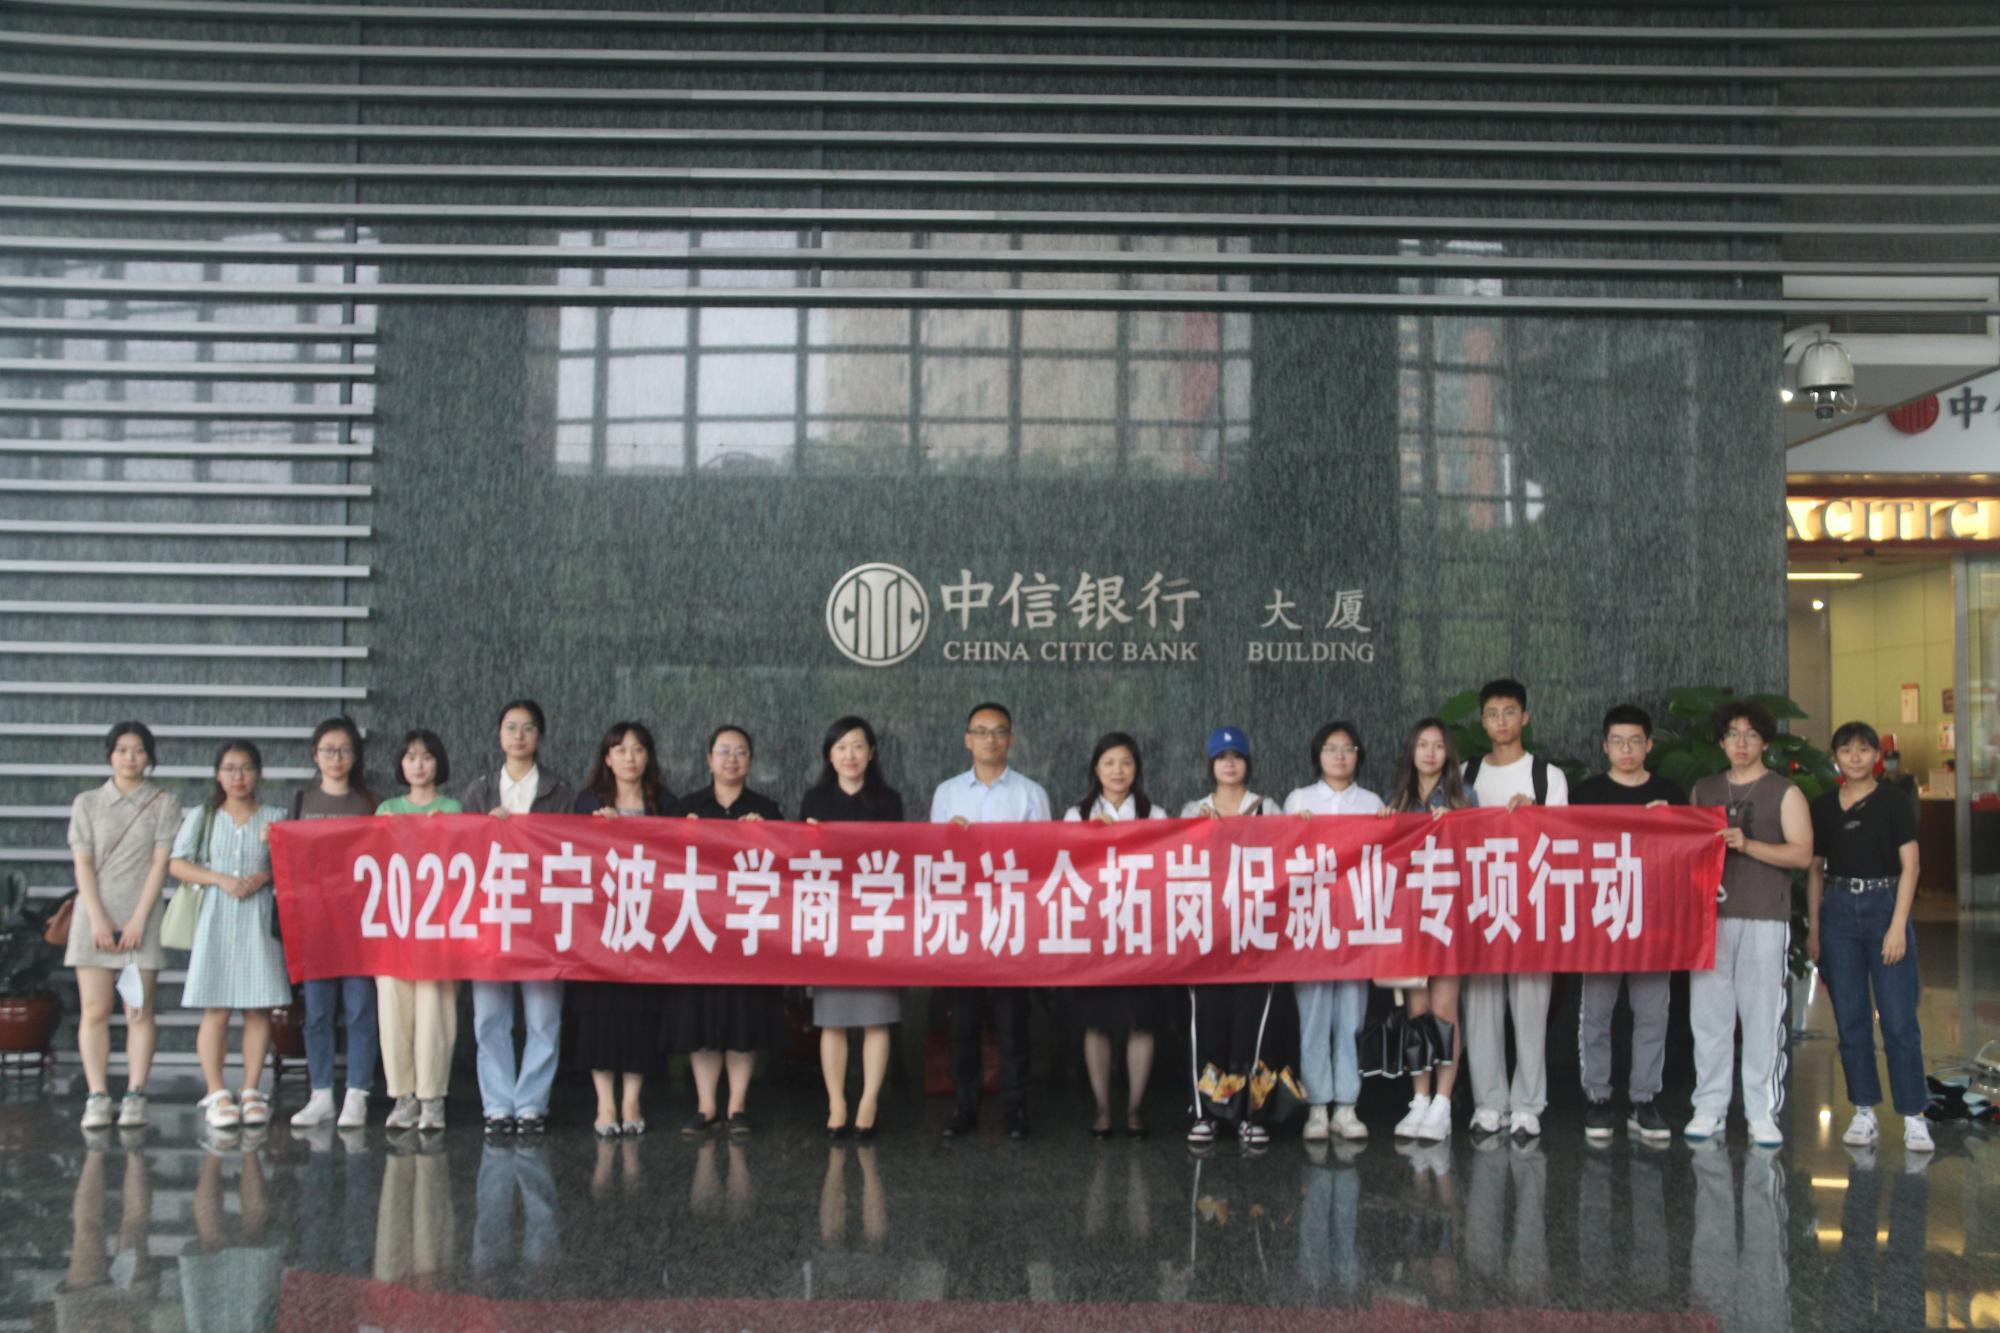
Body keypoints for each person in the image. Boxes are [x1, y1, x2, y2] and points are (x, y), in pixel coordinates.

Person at [1686, 699, 1813, 1148]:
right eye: (1733, 735)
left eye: (1751, 735)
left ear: (1765, 742)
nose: (1741, 743)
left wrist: (1749, 845)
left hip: (1764, 915)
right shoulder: (1704, 789)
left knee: (1761, 1016)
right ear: (1721, 742)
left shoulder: (1785, 792)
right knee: (1709, 1017)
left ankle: (1761, 1111)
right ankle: (1710, 1107)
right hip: (1711, 920)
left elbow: (1802, 853)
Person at [930, 701, 1052, 1140]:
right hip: (963, 922)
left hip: (1012, 920)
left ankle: (1015, 1109)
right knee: (963, 1024)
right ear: (967, 739)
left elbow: (1046, 859)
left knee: (1012, 1024)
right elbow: (932, 858)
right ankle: (965, 1107)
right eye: (980, 731)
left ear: (1011, 739)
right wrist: (950, 840)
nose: (990, 740)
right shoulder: (947, 793)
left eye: (999, 731)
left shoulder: (1031, 794)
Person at [1809, 721, 1931, 1155]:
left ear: (1877, 756)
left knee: (1898, 1019)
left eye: (1863, 749)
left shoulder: (1894, 801)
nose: (1855, 757)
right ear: (1835, 757)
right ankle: (1863, 1110)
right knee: (1851, 1019)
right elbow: (1815, 869)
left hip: (1884, 906)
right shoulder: (1824, 806)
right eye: (1846, 750)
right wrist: (1815, 928)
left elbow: (1911, 866)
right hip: (1839, 910)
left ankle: (1914, 1114)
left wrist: (1898, 925)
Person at [460, 700, 576, 1136]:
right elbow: (462, 854)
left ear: (539, 736)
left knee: (543, 1017)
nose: (519, 736)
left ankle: (530, 1104)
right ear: (499, 735)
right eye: (511, 727)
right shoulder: (479, 791)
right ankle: (497, 1104)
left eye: (528, 728)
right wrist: (484, 829)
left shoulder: (559, 792)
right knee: (490, 1017)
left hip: (543, 918)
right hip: (491, 916)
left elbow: (571, 851)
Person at [1570, 704, 1684, 1145]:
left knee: (1652, 1014)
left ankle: (1644, 1099)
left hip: (1655, 922)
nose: (1626, 749)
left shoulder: (1670, 794)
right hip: (1601, 919)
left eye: (1635, 741)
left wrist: (1674, 822)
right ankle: (1598, 1096)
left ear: (1649, 745)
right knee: (1596, 1014)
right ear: (1605, 746)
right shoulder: (1586, 794)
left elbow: (1691, 852)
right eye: (1617, 741)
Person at [1460, 678, 1569, 1140]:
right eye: (1492, 714)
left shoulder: (1547, 776)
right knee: (1481, 1009)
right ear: (1482, 721)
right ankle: (1489, 1103)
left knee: (1530, 1010)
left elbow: (1565, 841)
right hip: (1480, 906)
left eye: (1509, 712)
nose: (1501, 721)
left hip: (1530, 907)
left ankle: (1528, 1105)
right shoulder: (1465, 774)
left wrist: (1535, 813)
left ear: (1525, 717)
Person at [666, 725, 785, 1137]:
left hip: (747, 931)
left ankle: (737, 1105)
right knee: (702, 1018)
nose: (731, 759)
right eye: (723, 751)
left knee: (742, 1017)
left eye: (740, 752)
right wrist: (683, 834)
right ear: (708, 759)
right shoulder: (686, 809)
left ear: (750, 761)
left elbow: (786, 867)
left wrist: (766, 835)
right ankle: (706, 1105)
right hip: (699, 929)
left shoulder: (767, 809)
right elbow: (661, 862)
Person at [171, 742, 292, 1131]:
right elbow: (177, 864)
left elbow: (292, 863)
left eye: (246, 768)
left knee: (258, 1009)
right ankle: (217, 1091)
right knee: (216, 1009)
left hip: (258, 918)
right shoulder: (204, 817)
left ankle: (252, 1089)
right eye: (229, 768)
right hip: (216, 918)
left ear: (258, 773)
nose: (238, 776)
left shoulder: (275, 817)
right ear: (218, 775)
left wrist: (265, 875)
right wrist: (219, 879)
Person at [66, 721, 180, 1131]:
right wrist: (98, 917)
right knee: (94, 1010)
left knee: (139, 1010)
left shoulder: (164, 802)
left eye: (138, 750)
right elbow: (82, 862)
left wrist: (138, 919)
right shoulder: (87, 802)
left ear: (150, 756)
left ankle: (135, 1094)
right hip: (93, 917)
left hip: (141, 919)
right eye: (122, 749)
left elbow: (160, 864)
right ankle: (97, 1095)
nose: (130, 757)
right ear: (109, 755)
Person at [801, 716, 905, 1140]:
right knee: (833, 1019)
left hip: (876, 918)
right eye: (841, 747)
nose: (850, 755)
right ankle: (836, 1103)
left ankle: (868, 1102)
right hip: (831, 921)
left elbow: (902, 858)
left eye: (858, 746)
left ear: (872, 753)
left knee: (876, 1018)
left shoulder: (889, 801)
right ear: (829, 755)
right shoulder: (815, 800)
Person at [1063, 730, 1171, 1139]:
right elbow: (1066, 869)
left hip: (1141, 931)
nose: (1118, 771)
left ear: (1136, 768)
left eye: (1126, 762)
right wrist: (1090, 836)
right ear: (1096, 769)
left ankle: (1135, 1107)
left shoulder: (1154, 814)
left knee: (1141, 1022)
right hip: (1096, 932)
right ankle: (1103, 1107)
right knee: (1097, 1023)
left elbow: (1165, 867)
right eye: (1109, 763)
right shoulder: (1076, 814)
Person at [572, 722, 675, 1138]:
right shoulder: (587, 802)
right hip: (599, 925)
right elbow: (570, 855)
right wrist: (597, 828)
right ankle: (605, 1102)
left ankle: (632, 1099)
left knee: (639, 1012)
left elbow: (679, 855)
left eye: (637, 749)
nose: (629, 758)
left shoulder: (664, 803)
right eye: (621, 750)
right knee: (599, 1012)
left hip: (647, 923)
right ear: (607, 758)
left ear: (648, 756)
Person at [1180, 725, 1282, 1147]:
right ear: (1211, 765)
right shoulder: (1193, 810)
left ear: (1247, 763)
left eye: (1236, 756)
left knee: (1252, 1029)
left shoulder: (1267, 807)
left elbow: (1288, 855)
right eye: (1222, 758)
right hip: (1209, 938)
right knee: (1208, 1025)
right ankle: (1208, 1113)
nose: (1229, 764)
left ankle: (1250, 1114)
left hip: (1256, 938)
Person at [1286, 720, 1383, 1142]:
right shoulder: (1299, 799)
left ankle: (1346, 1104)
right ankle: (1316, 1106)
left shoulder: (1372, 802)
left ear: (1358, 755)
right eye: (1331, 749)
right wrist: (1294, 828)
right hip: (1311, 924)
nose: (1340, 756)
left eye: (1348, 749)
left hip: (1356, 925)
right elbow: (1281, 859)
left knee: (1351, 1017)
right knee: (1313, 1017)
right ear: (1318, 756)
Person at [1381, 716, 1475, 1144]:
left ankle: (1443, 1102)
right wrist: (1384, 823)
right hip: (1408, 921)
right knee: (1416, 1011)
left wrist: (1458, 821)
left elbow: (1481, 849)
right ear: (1412, 752)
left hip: (1449, 919)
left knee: (1444, 1010)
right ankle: (1419, 1098)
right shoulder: (1397, 798)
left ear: (1448, 753)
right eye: (1423, 745)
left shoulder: (1463, 796)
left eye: (1438, 745)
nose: (1430, 753)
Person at [288, 717, 381, 1130]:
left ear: (355, 756)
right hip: (314, 925)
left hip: (359, 924)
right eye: (328, 750)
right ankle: (321, 1093)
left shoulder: (369, 803)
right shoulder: (300, 801)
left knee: (360, 1010)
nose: (336, 758)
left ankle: (358, 1093)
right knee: (317, 1013)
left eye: (344, 750)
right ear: (315, 755)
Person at [375, 729, 463, 1134]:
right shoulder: (386, 809)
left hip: (438, 928)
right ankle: (403, 1096)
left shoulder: (453, 808)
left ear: (438, 763)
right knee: (394, 1011)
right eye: (410, 757)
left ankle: (432, 1098)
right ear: (401, 764)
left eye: (427, 757)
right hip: (393, 928)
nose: (419, 765)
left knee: (435, 1014)